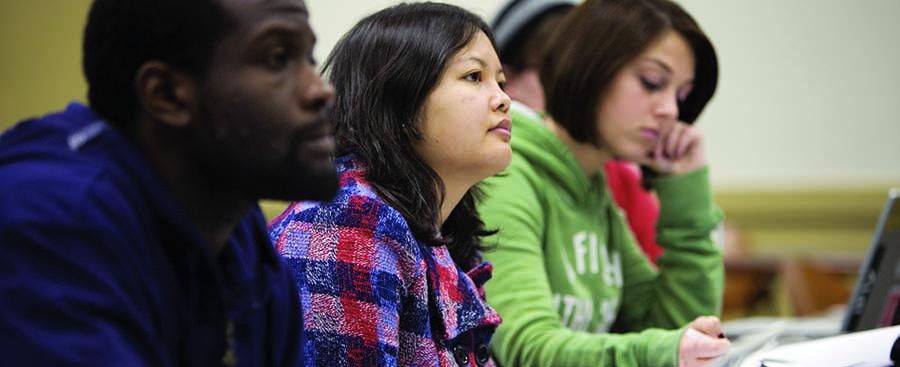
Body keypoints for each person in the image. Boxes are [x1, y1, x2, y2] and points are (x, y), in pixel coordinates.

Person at [0, 0, 337, 365]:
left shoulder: (237, 232)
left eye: (310, 58)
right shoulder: (51, 224)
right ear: (167, 94)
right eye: (277, 58)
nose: (321, 90)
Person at [477, 0, 731, 366]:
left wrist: (685, 196)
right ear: (588, 66)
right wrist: (660, 352)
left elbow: (672, 330)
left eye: (681, 95)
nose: (671, 112)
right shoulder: (507, 173)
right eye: (652, 82)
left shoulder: (591, 184)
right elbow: (525, 349)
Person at [268, 3, 511, 366]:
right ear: (398, 100)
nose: (504, 99)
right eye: (474, 76)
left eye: (501, 81)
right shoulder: (345, 224)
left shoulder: (438, 230)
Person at [491, 0, 664, 264]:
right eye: (554, 71)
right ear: (507, 81)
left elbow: (662, 297)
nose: (577, 85)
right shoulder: (498, 170)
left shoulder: (615, 175)